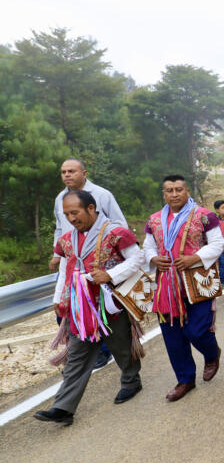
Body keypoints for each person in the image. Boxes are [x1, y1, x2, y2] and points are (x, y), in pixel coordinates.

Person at [35, 191, 144, 425]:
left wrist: (109, 275)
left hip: (110, 304)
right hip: (80, 308)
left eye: (75, 212)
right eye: (67, 214)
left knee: (121, 346)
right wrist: (58, 297)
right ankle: (63, 407)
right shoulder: (67, 240)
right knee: (76, 356)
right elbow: (65, 269)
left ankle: (131, 380)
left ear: (92, 208)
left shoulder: (116, 233)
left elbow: (137, 259)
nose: (71, 218)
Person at [144, 175, 224, 401]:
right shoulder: (154, 220)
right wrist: (153, 258)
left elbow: (217, 244)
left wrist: (194, 258)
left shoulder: (204, 216)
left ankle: (211, 353)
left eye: (179, 189)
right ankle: (185, 379)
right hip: (166, 284)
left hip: (197, 279)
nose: (174, 194)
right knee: (172, 334)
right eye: (169, 190)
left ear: (187, 191)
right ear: (164, 194)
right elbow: (148, 247)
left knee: (197, 329)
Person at [51, 158, 127, 369]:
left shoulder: (102, 195)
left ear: (84, 173)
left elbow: (120, 224)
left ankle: (103, 351)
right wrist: (56, 254)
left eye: (72, 171)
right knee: (65, 309)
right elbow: (60, 227)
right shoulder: (60, 198)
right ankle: (81, 348)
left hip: (98, 261)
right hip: (70, 260)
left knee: (101, 306)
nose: (67, 175)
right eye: (63, 171)